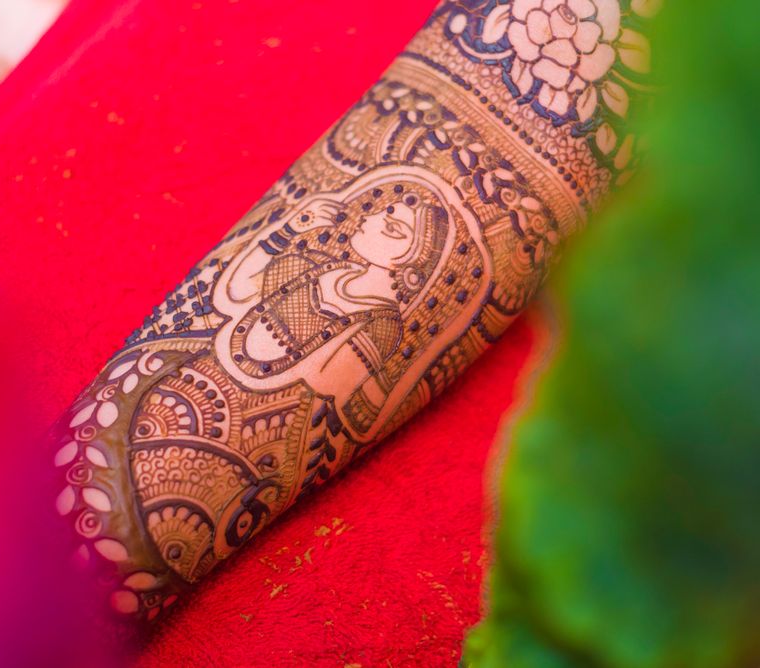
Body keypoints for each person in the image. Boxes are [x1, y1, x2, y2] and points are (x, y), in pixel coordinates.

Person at [52, 0, 655, 621]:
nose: (388, 220)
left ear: (414, 265)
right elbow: (234, 297)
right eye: (385, 211)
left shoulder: (382, 318)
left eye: (407, 230)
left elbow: (340, 389)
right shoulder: (306, 260)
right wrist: (289, 243)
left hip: (256, 440)